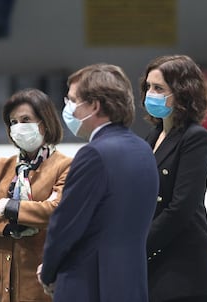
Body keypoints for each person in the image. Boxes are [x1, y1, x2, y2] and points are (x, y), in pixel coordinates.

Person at [37, 63, 159, 302]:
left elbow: (66, 224)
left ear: (94, 106)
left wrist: (49, 271)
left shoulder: (94, 154)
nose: (68, 108)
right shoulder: (144, 149)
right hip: (131, 283)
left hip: (89, 285)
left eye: (73, 100)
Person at [0, 88, 72, 302]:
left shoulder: (64, 166)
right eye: (13, 122)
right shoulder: (1, 166)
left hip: (37, 285)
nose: (18, 127)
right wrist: (12, 227)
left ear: (45, 122)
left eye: (25, 119)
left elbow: (55, 211)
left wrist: (10, 207)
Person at [140, 54, 207, 302]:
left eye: (158, 88)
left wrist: (139, 247)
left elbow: (181, 207)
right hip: (155, 263)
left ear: (182, 92)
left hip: (185, 267)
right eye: (148, 87)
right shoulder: (151, 138)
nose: (150, 94)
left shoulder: (195, 138)